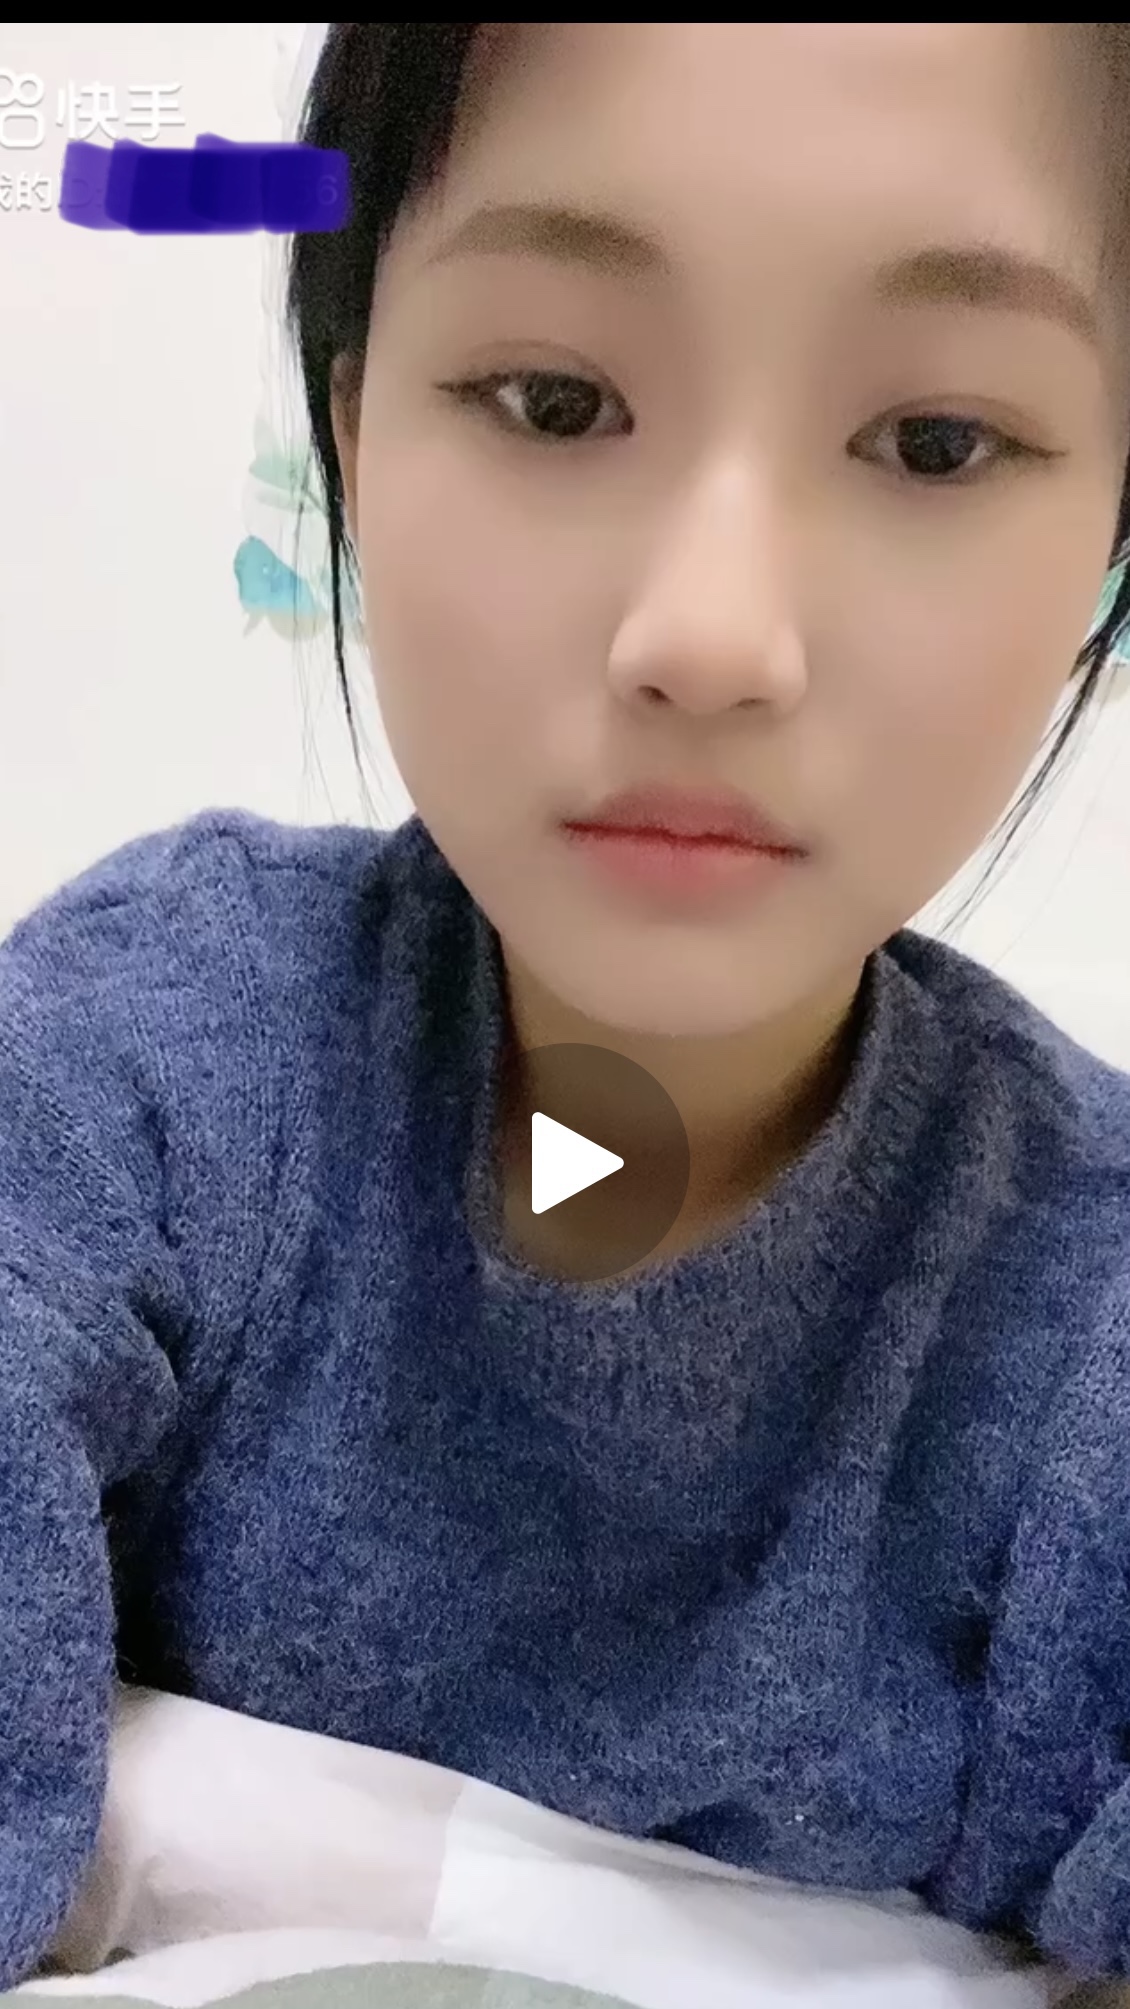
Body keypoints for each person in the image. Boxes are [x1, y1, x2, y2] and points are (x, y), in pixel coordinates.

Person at [1, 22, 1129, 1999]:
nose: (709, 635)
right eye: (553, 399)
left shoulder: (1081, 1343)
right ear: (354, 442)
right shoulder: (150, 1069)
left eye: (934, 443)